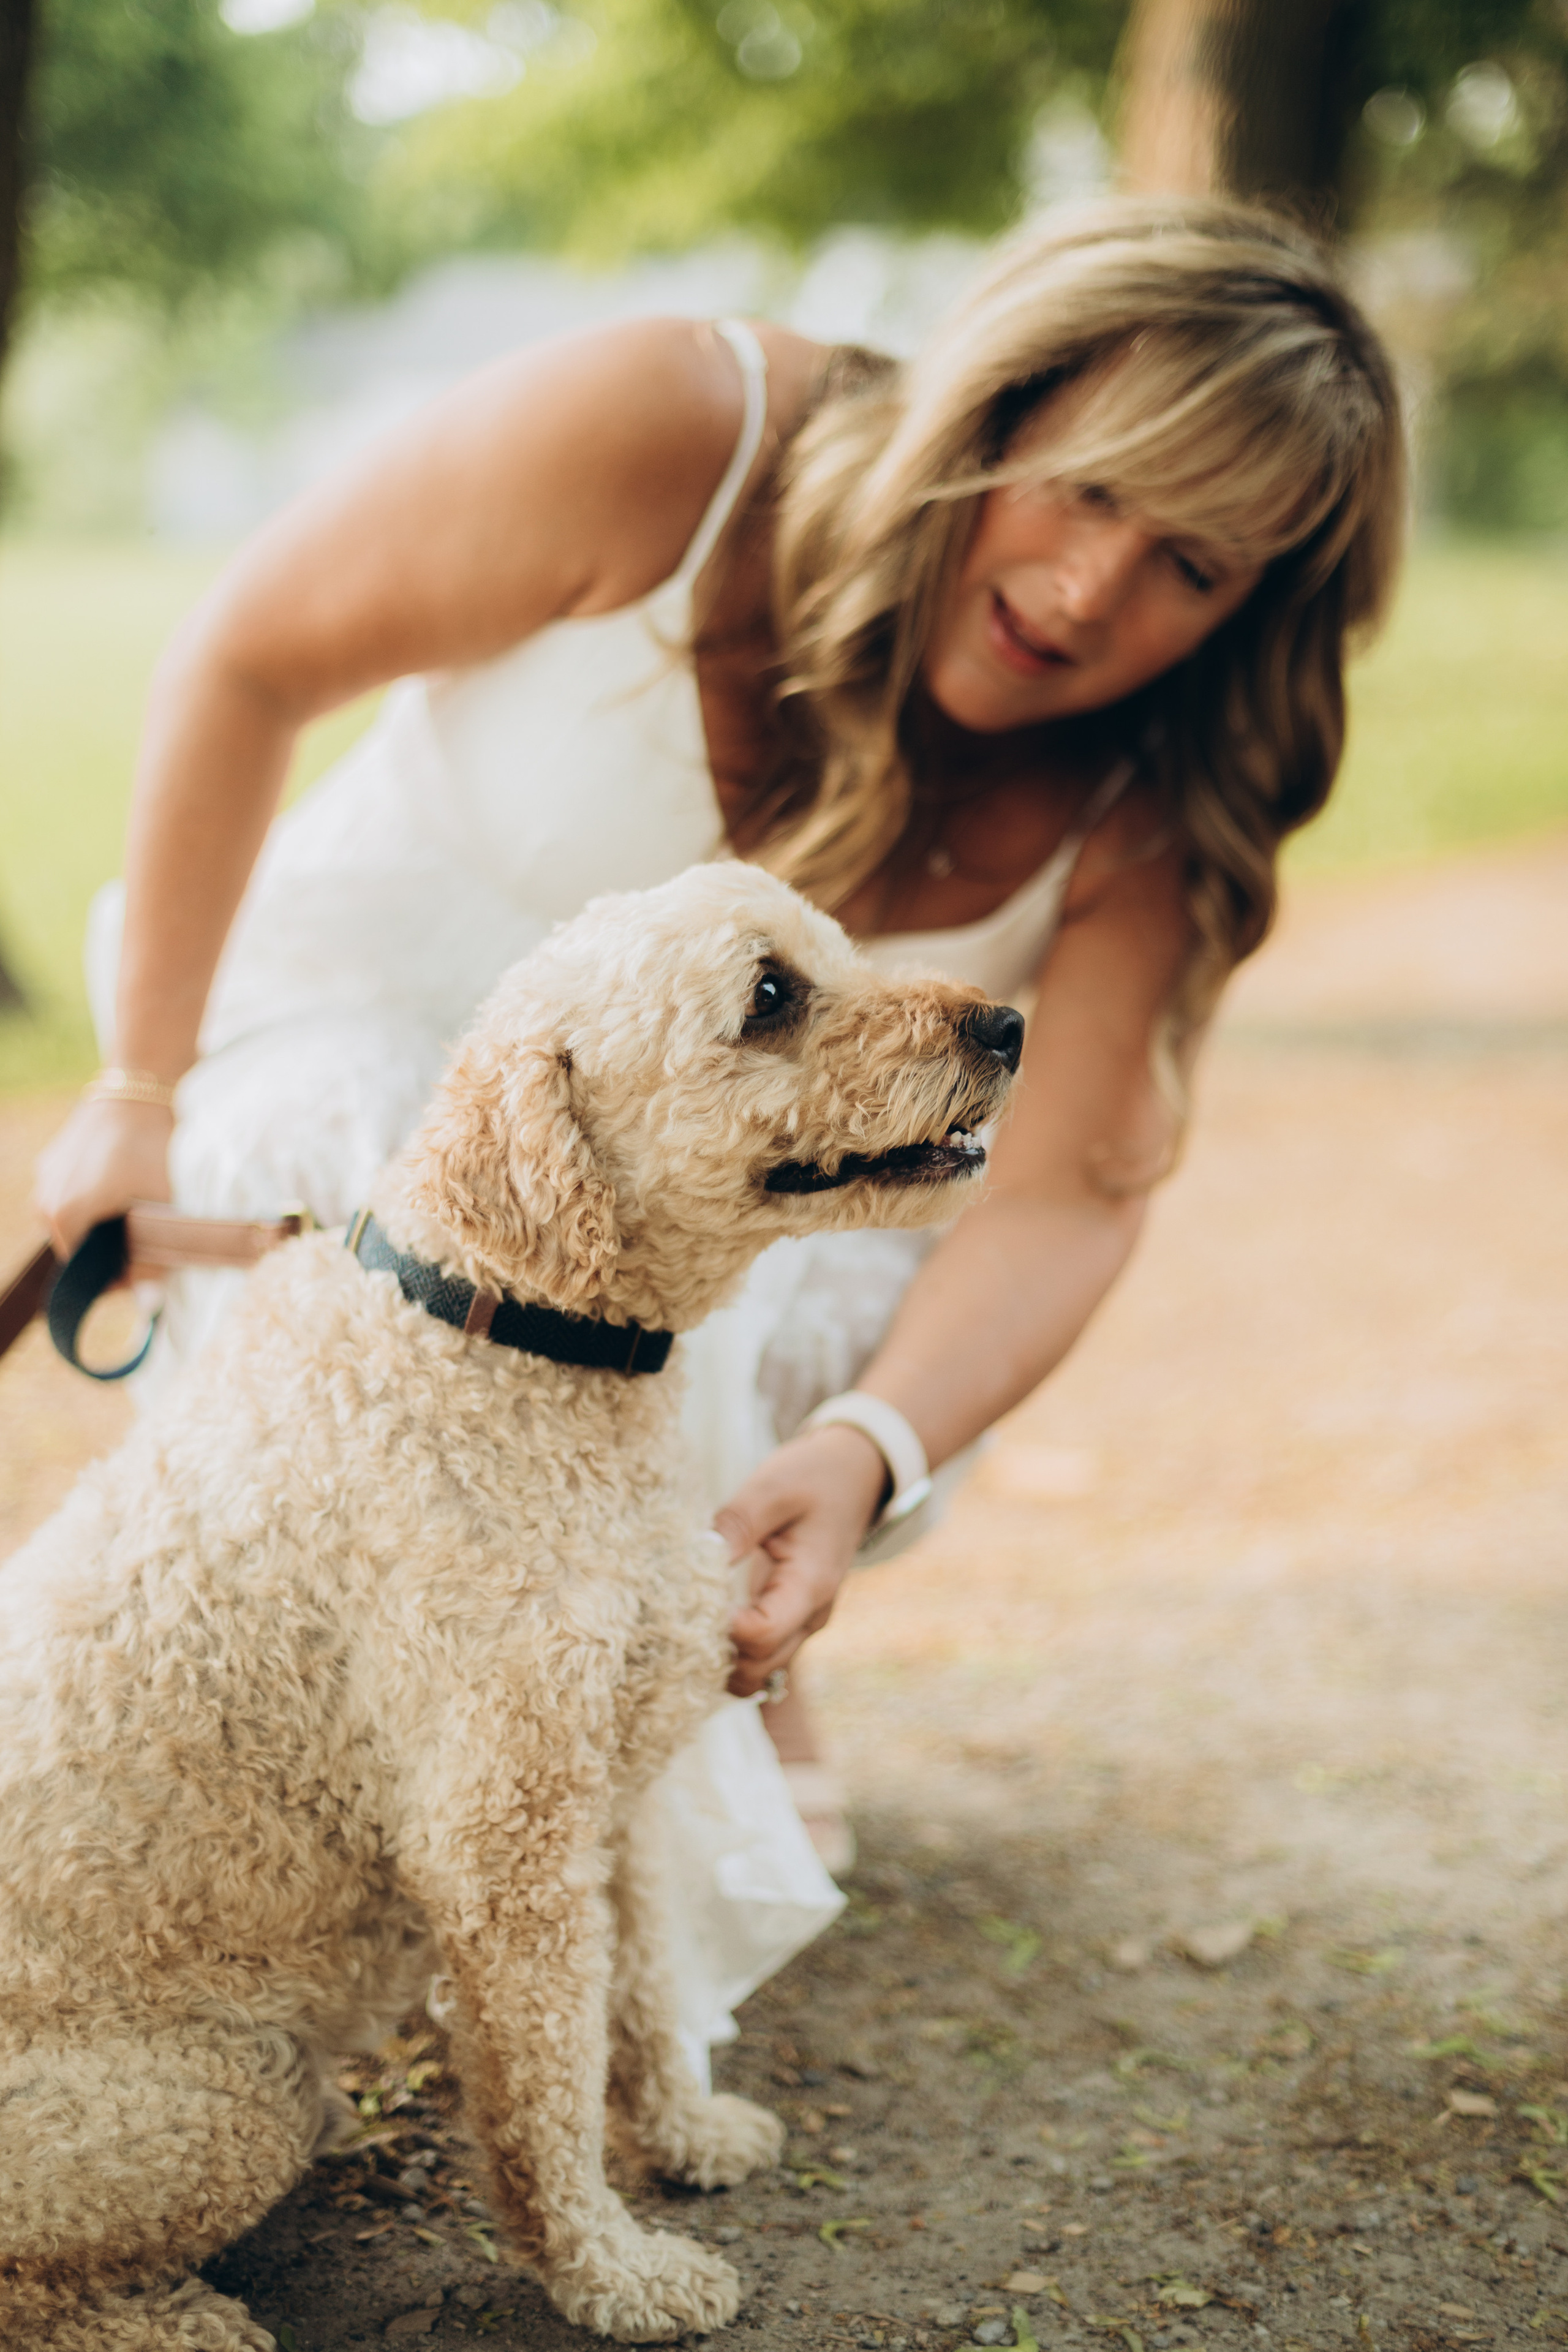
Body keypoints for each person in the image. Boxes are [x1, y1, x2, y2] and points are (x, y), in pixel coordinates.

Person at [34, 197, 1405, 2081]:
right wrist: (132, 1094)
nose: (1094, 596)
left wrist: (867, 1451)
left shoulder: (1163, 790)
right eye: (1089, 490)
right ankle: (386, 1749)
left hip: (731, 1241)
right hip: (342, 1048)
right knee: (371, 1155)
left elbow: (1073, 1188)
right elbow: (251, 655)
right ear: (996, 408)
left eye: (1194, 564)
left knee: (730, 1284)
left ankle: (685, 1668)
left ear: (1261, 606)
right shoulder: (680, 430)